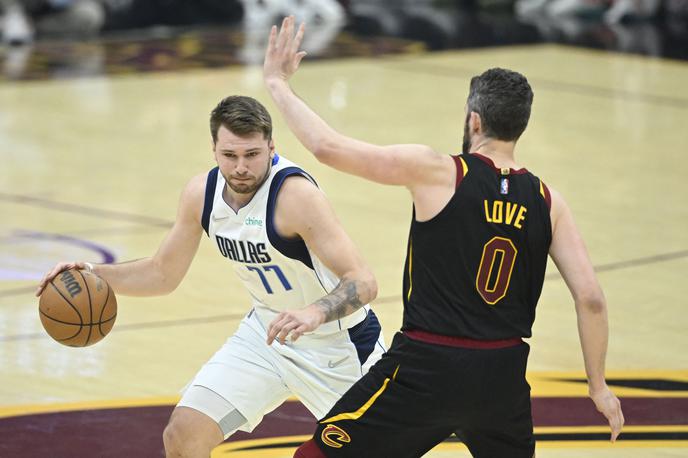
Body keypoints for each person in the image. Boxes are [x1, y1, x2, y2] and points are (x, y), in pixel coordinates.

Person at [262, 16, 625, 458]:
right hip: (502, 375)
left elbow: (328, 148)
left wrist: (277, 83)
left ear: (474, 120)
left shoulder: (440, 172)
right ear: (520, 125)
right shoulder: (548, 200)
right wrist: (599, 385)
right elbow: (591, 299)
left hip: (428, 365)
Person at [35, 95, 386, 458]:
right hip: (265, 337)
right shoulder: (202, 193)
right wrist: (92, 273)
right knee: (184, 436)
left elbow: (363, 281)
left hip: (338, 347)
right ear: (214, 150)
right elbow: (162, 274)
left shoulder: (295, 197)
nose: (241, 167)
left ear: (271, 147)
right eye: (229, 155)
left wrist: (313, 313)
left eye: (252, 155)